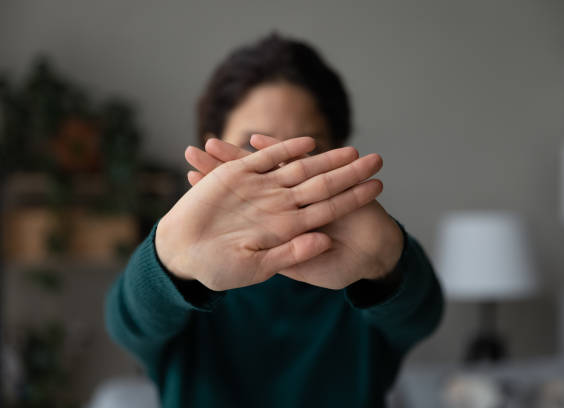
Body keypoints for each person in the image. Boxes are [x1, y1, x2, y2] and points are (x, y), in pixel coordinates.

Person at [105, 33, 443, 408]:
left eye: (306, 148)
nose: (281, 170)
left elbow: (423, 314)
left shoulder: (361, 271)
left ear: (337, 155)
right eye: (253, 148)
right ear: (211, 148)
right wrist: (169, 259)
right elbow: (128, 323)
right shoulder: (189, 279)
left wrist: (388, 260)